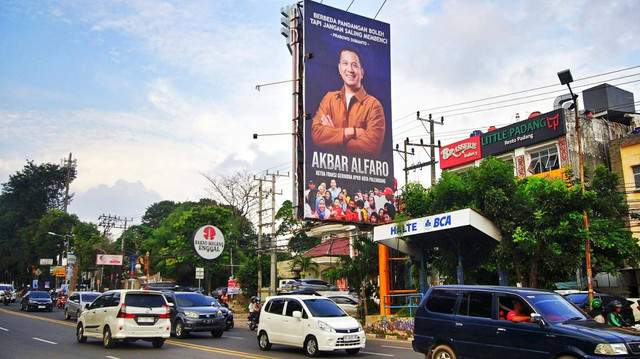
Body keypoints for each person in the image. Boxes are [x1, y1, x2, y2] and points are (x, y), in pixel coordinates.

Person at [311, 46, 385, 155]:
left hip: (362, 171)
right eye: (345, 63)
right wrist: (352, 132)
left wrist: (333, 136)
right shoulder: (329, 99)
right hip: (330, 170)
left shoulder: (373, 105)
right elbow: (317, 134)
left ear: (362, 72)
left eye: (354, 65)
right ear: (339, 68)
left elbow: (372, 146)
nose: (350, 70)